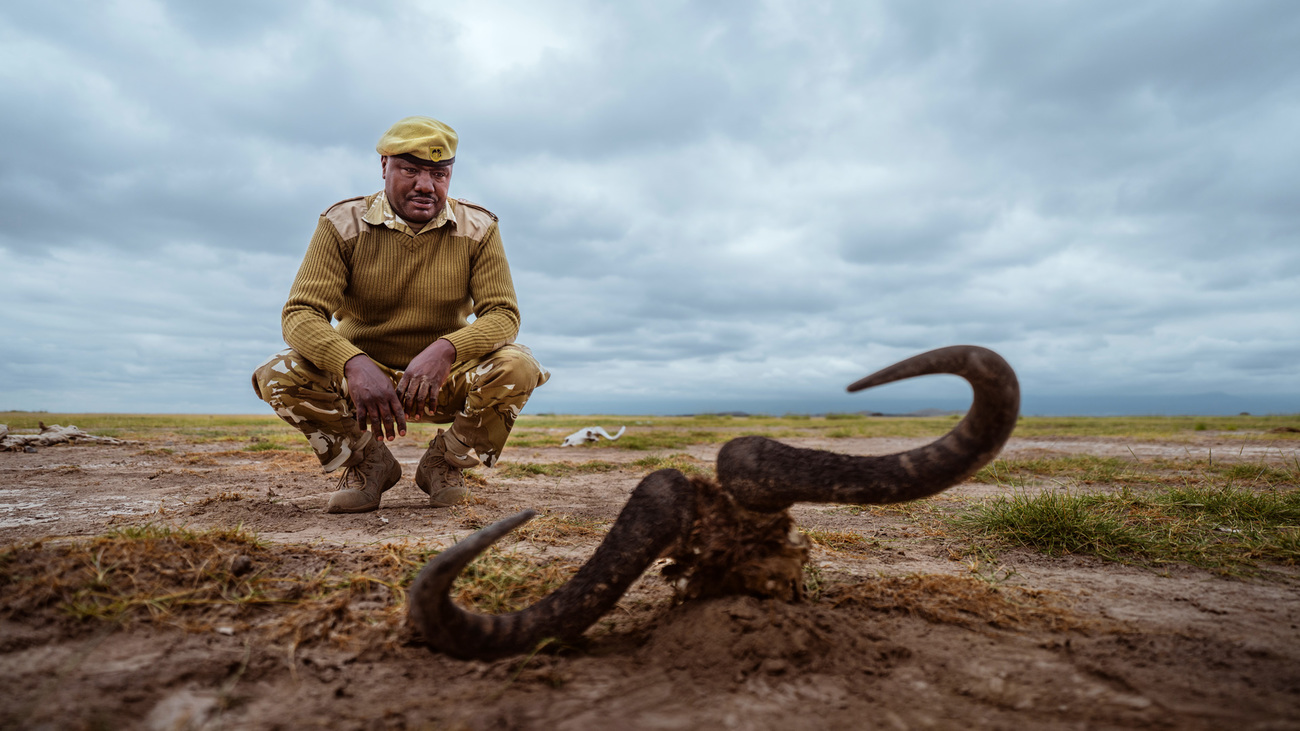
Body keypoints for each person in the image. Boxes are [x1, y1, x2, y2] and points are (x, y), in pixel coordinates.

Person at [252, 116, 549, 514]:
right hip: (363, 385)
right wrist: (352, 363)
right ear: (384, 168)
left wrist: (446, 349)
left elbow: (503, 315)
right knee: (279, 373)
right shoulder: (342, 223)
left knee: (519, 365)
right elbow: (301, 313)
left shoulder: (479, 227)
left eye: (439, 174)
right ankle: (368, 463)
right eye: (410, 170)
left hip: (442, 379)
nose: (426, 185)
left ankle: (445, 463)